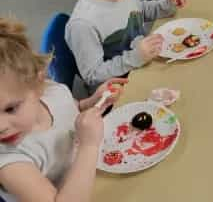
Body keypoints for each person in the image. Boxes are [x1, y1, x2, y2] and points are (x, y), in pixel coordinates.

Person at [0, 17, 125, 202]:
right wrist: (88, 145)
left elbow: (71, 108)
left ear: (37, 84)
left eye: (10, 109)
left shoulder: (51, 92)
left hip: (99, 172)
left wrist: (93, 102)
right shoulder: (10, 162)